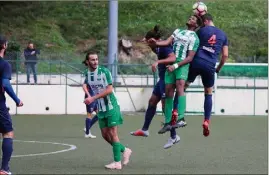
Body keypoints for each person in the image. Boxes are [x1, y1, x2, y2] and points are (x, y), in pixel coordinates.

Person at [148, 15, 202, 134]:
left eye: (193, 19)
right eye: (190, 17)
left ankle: (181, 118)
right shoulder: (177, 31)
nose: (190, 19)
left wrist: (176, 66)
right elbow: (167, 42)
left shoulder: (195, 38)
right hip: (171, 64)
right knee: (168, 92)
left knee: (180, 85)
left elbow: (189, 58)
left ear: (197, 25)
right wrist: (155, 42)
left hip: (182, 65)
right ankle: (167, 123)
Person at [130, 25, 181, 149]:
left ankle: (174, 136)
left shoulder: (164, 49)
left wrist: (157, 62)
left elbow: (173, 58)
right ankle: (145, 129)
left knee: (165, 107)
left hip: (168, 80)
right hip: (162, 80)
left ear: (153, 41)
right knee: (152, 101)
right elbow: (152, 44)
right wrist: (147, 40)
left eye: (148, 42)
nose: (148, 45)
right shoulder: (156, 46)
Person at [178, 13, 228, 137]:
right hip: (210, 65)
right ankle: (206, 121)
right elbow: (225, 55)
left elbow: (193, 46)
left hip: (196, 62)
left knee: (182, 87)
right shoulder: (223, 35)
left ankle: (177, 115)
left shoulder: (201, 31)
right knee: (208, 92)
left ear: (205, 21)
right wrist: (218, 68)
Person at [83, 51, 132, 170]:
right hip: (101, 108)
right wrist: (88, 94)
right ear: (87, 62)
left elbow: (109, 89)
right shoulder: (87, 73)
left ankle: (117, 163)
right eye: (92, 60)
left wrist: (92, 98)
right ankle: (125, 150)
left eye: (96, 59)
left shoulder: (104, 72)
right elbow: (85, 84)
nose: (95, 62)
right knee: (105, 135)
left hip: (111, 106)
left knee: (112, 133)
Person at [0, 35, 23, 175]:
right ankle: (4, 169)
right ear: (4, 46)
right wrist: (16, 100)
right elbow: (5, 84)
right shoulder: (4, 64)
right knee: (8, 133)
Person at [82, 66, 99, 138]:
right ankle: (87, 133)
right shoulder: (88, 77)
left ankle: (87, 128)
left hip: (95, 98)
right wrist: (88, 96)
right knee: (89, 115)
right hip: (90, 98)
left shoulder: (96, 78)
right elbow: (84, 86)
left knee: (100, 114)